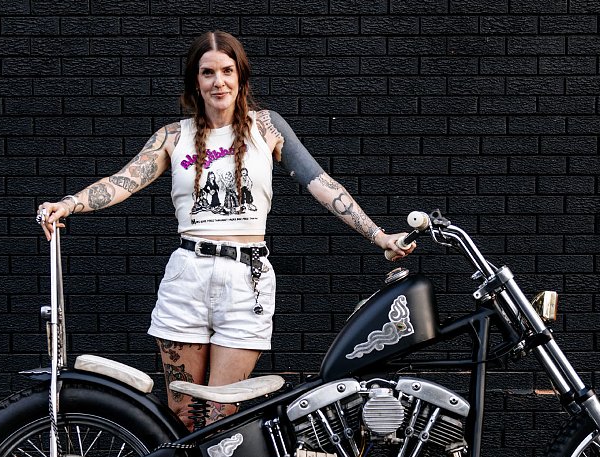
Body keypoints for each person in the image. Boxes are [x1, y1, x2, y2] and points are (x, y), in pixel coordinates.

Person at [37, 31, 415, 431]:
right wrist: (71, 203)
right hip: (188, 276)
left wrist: (379, 236)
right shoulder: (172, 136)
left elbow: (321, 184)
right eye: (208, 73)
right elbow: (124, 181)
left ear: (241, 77)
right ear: (195, 83)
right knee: (182, 414)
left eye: (227, 71)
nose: (219, 81)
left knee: (223, 414)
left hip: (246, 280)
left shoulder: (266, 127)